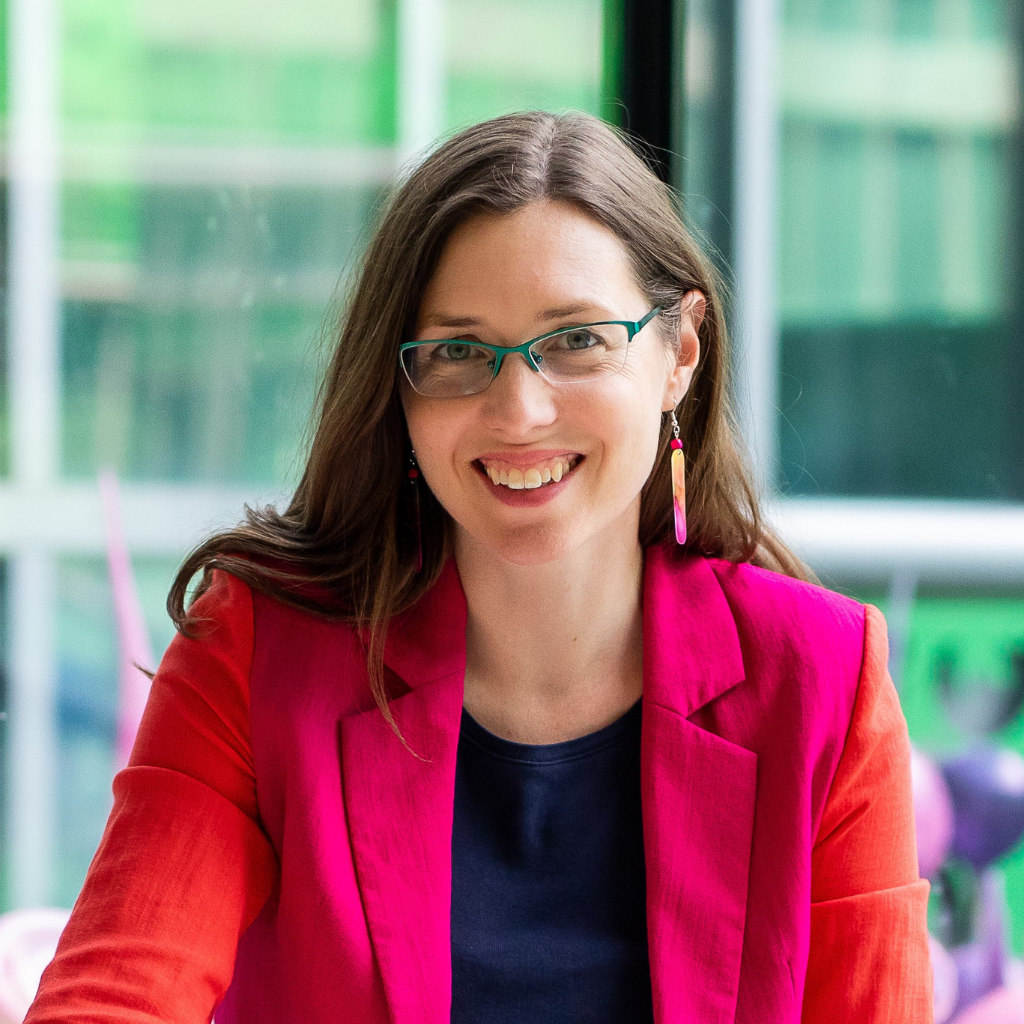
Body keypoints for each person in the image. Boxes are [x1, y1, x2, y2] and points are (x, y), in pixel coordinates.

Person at [26, 111, 932, 1023]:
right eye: (458, 351)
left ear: (680, 354)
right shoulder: (258, 654)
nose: (519, 410)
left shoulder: (822, 678)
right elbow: (112, 999)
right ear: (401, 388)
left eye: (577, 339)